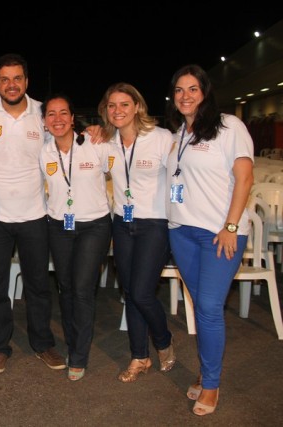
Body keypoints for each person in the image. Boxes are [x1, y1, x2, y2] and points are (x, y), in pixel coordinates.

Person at [0, 53, 66, 374]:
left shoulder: (41, 112)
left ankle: (42, 343)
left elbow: (65, 140)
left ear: (27, 81)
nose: (12, 85)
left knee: (38, 285)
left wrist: (94, 133)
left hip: (35, 215)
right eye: (5, 79)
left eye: (17, 78)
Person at [165, 64, 253, 416]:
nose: (185, 96)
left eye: (192, 89)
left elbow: (245, 179)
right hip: (181, 231)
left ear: (205, 92)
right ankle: (207, 370)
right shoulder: (179, 134)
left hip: (219, 234)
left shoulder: (230, 126)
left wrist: (231, 227)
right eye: (179, 90)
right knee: (202, 306)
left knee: (209, 308)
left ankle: (212, 385)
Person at [97, 82, 176, 382]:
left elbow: (182, 175)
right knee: (130, 293)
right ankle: (139, 357)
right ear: (106, 110)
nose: (118, 111)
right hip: (122, 222)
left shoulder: (161, 138)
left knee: (142, 293)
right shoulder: (106, 143)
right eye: (112, 106)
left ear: (137, 107)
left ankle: (164, 341)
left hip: (154, 224)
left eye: (124, 105)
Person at [40, 93, 112, 381]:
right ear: (45, 123)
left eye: (63, 113)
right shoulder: (43, 152)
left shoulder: (95, 144)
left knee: (82, 289)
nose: (57, 119)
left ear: (72, 118)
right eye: (51, 114)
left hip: (93, 226)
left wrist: (103, 129)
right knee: (66, 288)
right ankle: (72, 342)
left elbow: (124, 171)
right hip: (59, 225)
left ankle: (79, 355)